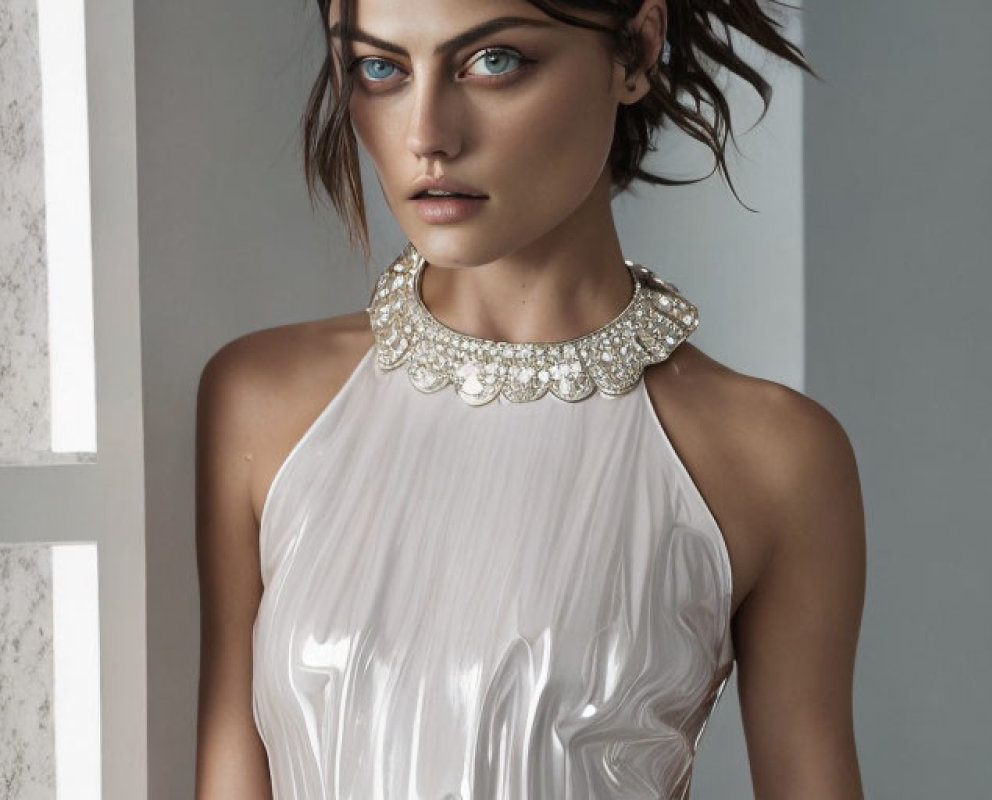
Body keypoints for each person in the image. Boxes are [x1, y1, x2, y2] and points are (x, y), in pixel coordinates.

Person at [194, 0, 866, 797]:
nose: (427, 136)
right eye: (382, 68)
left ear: (636, 52)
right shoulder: (261, 400)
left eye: (494, 62)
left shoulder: (772, 454)